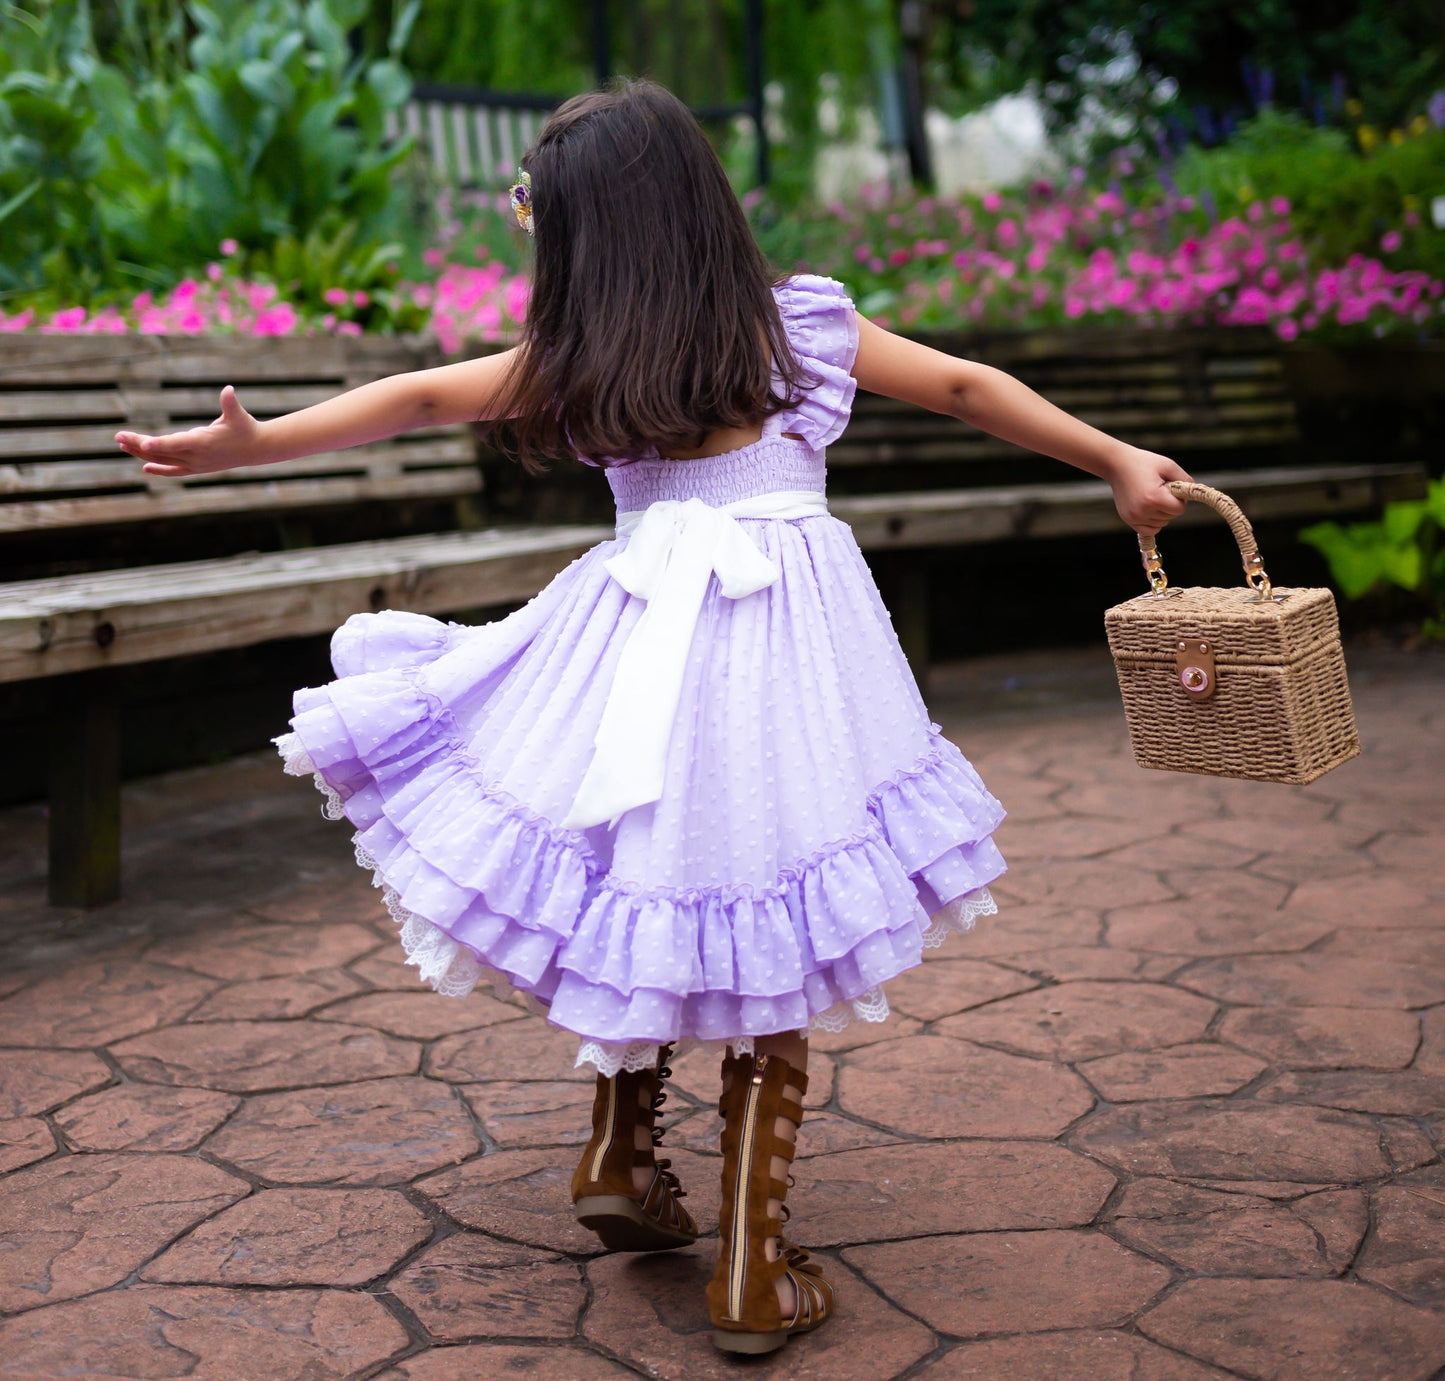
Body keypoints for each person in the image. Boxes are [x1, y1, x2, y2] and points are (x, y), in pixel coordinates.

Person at [114, 79, 1189, 1356]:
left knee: (642, 873)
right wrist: (1118, 459)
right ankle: (749, 1261)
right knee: (765, 899)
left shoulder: (581, 358)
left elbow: (410, 395)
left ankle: (622, 1156)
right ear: (693, 203)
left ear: (585, 240)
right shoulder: (799, 330)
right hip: (791, 664)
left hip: (631, 650)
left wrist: (256, 444)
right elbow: (961, 383)